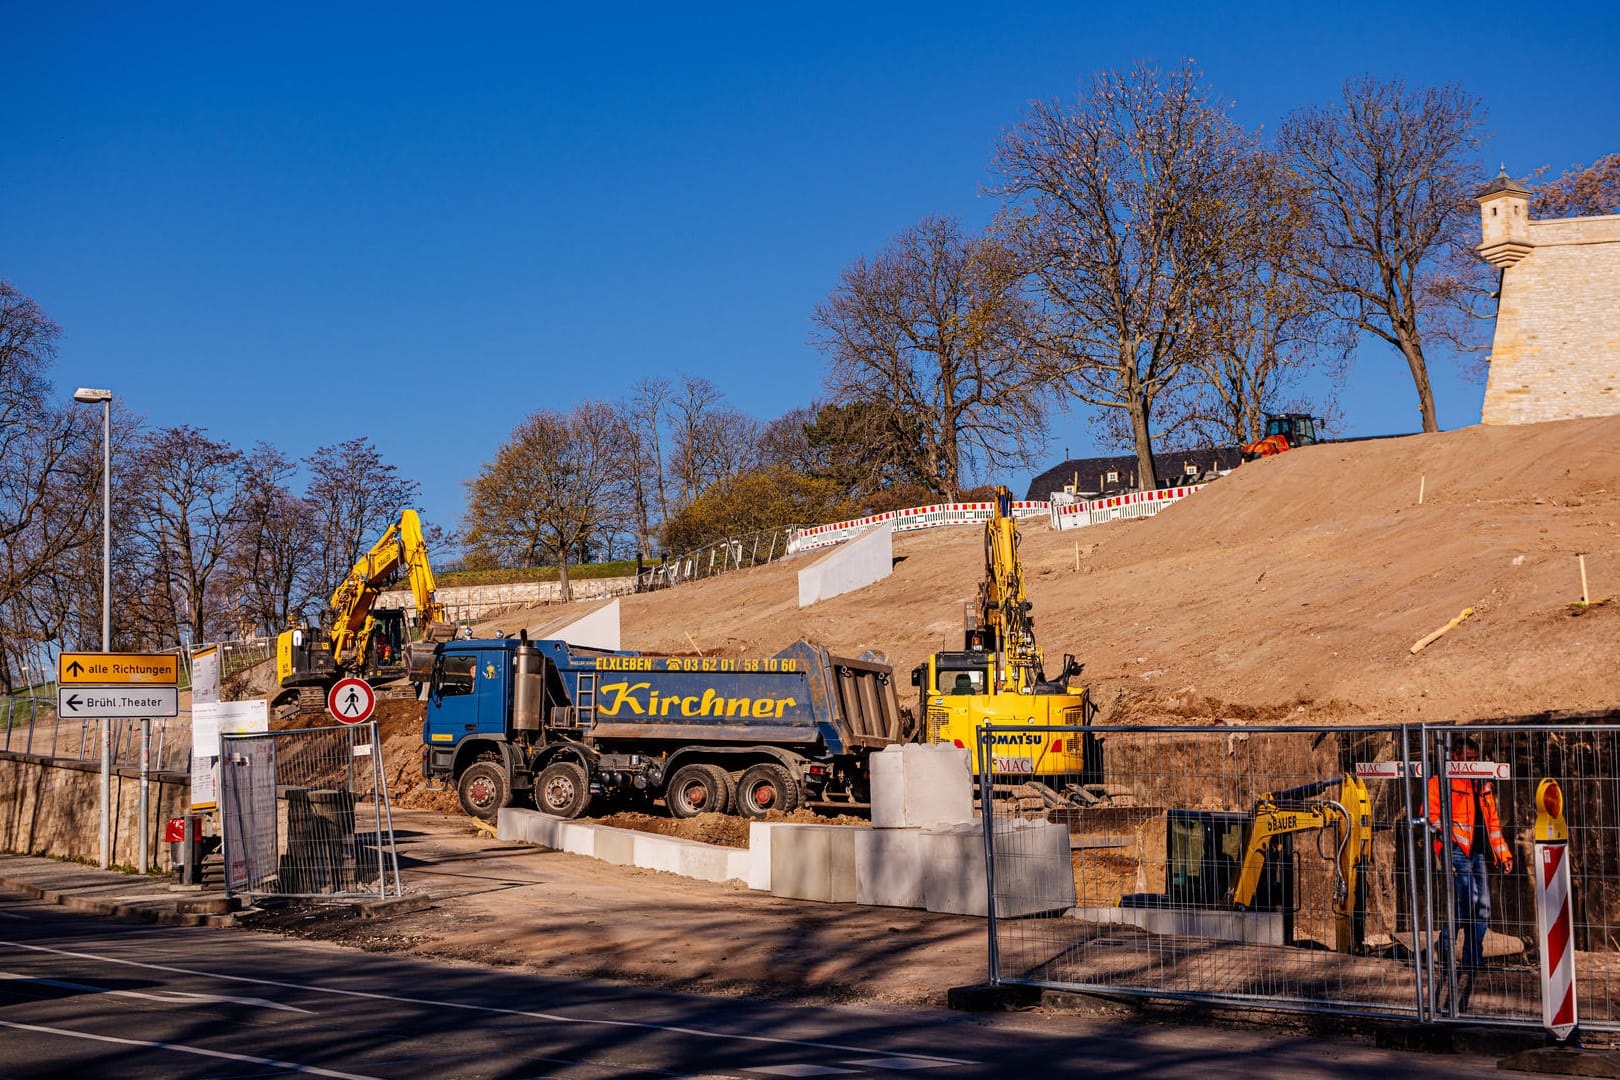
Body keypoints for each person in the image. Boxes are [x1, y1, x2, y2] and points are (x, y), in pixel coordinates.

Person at [1428, 736, 1514, 968]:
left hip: (1477, 853)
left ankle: (1472, 961)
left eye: (1475, 759)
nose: (1472, 764)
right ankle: (1445, 948)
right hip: (1456, 850)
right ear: (1455, 757)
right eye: (1468, 759)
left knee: (1483, 906)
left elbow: (1493, 824)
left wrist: (1504, 854)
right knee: (1470, 899)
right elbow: (1431, 817)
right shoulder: (1439, 782)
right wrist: (1449, 840)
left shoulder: (1483, 785)